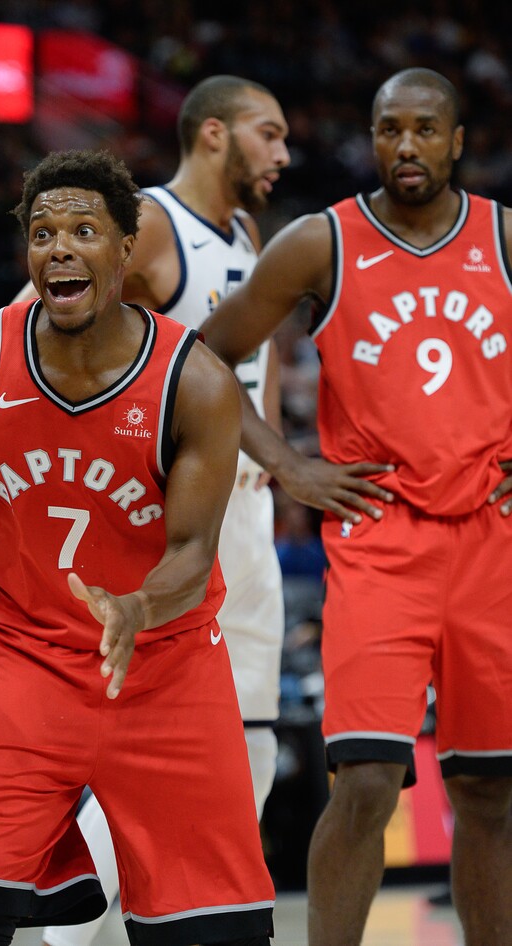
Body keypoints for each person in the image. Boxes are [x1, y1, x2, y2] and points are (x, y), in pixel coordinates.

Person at [0, 149, 276, 946]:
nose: (59, 247)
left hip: (165, 668)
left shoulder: (193, 381)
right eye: (43, 232)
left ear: (127, 247)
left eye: (84, 230)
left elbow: (195, 549)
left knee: (212, 934)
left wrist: (139, 604)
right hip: (23, 662)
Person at [201, 67, 512, 946]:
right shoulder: (320, 242)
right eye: (388, 130)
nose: (404, 147)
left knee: (490, 790)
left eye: (423, 129)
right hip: (382, 544)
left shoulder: (503, 237)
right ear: (370, 138)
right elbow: (205, 358)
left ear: (457, 141)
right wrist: (287, 465)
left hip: (491, 542)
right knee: (369, 782)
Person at [11, 74, 291, 946]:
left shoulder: (246, 233)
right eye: (267, 134)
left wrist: (276, 459)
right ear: (214, 134)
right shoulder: (157, 225)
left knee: (251, 751)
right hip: (170, 519)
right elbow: (30, 324)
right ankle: (72, 933)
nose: (283, 154)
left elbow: (256, 364)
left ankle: (168, 918)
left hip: (246, 516)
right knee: (158, 763)